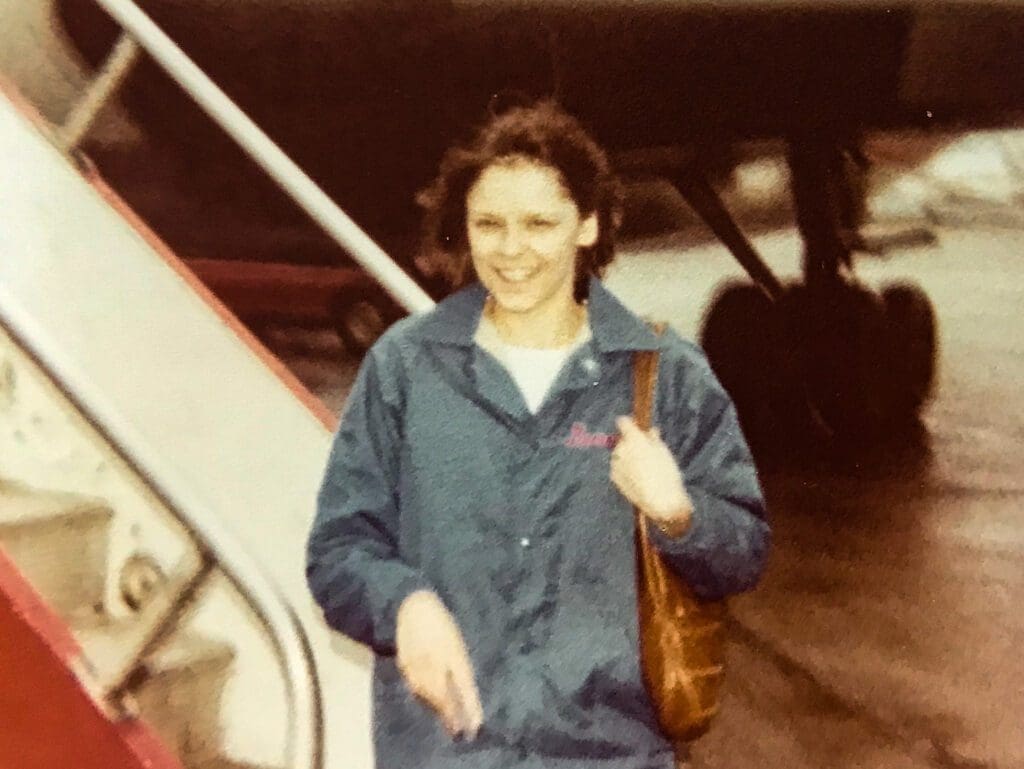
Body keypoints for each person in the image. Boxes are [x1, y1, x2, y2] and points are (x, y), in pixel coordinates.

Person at [306, 101, 770, 769]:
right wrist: (401, 601)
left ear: (589, 225)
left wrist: (680, 513)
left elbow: (746, 551)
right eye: (489, 224)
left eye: (539, 224)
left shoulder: (665, 376)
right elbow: (339, 548)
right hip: (446, 752)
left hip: (609, 754)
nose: (511, 250)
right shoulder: (405, 368)